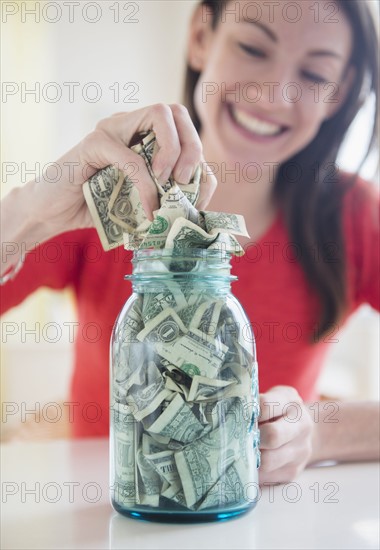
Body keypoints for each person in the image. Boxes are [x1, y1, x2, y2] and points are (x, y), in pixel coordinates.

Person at [1, 0, 379, 484]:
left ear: (339, 92)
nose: (274, 94)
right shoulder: (106, 192)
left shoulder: (355, 217)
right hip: (104, 511)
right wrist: (29, 210)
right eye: (251, 47)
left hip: (259, 519)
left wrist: (321, 431)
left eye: (315, 73)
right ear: (202, 37)